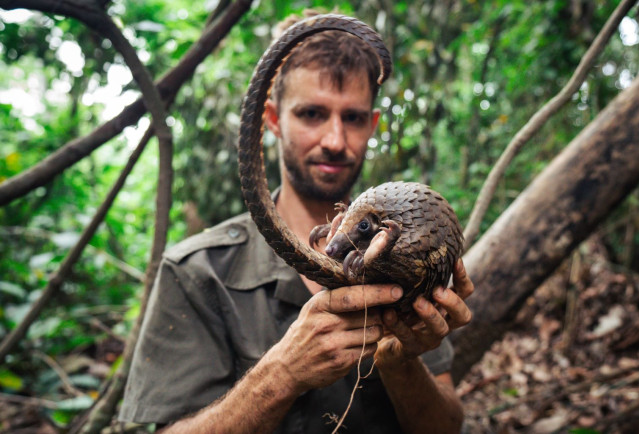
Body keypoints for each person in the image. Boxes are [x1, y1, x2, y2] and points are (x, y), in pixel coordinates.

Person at [119, 11, 473, 433]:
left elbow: (446, 427)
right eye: (311, 114)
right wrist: (281, 375)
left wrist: (402, 363)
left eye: (354, 118)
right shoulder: (198, 271)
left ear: (373, 125)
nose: (335, 141)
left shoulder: (406, 255)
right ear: (272, 119)